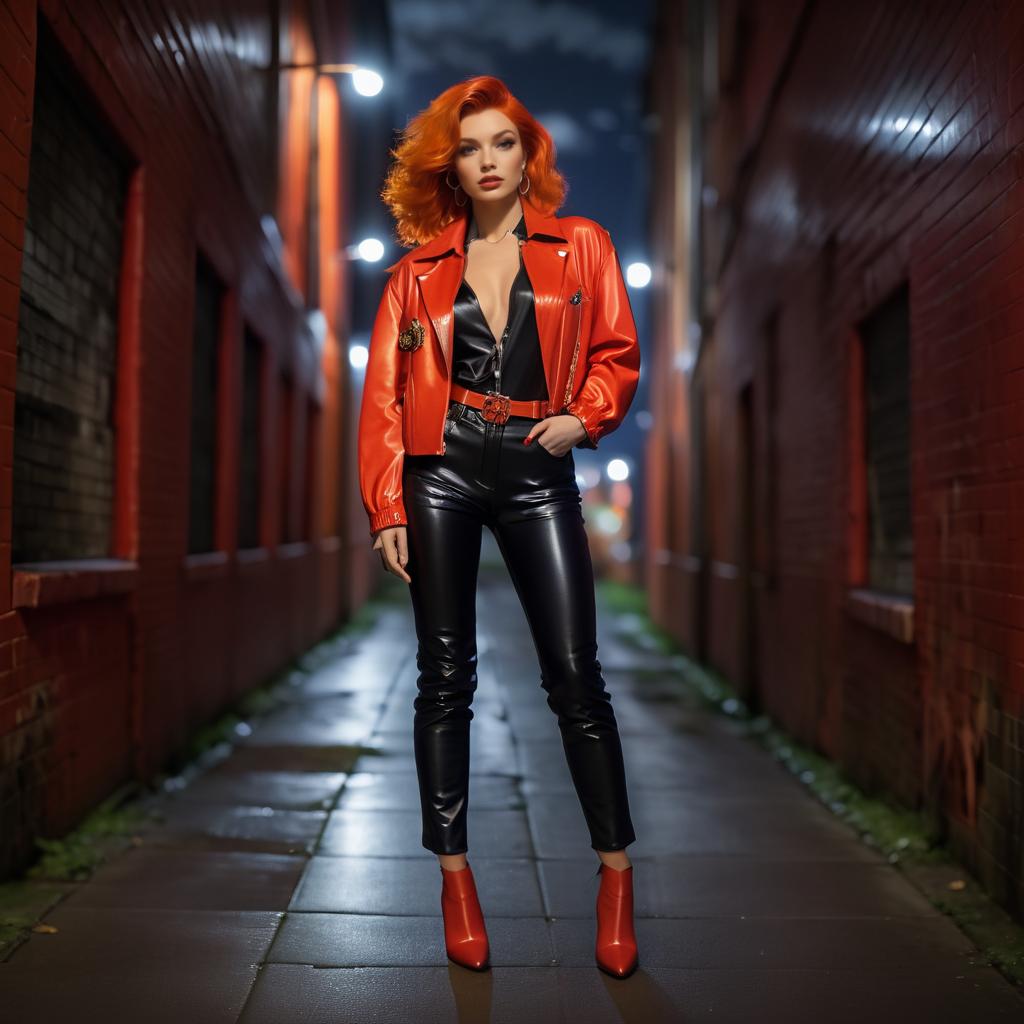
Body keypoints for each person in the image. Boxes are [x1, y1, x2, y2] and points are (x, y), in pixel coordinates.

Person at [357, 75, 641, 979]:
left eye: (503, 145)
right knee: (445, 677)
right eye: (470, 148)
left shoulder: (582, 245)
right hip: (441, 470)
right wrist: (388, 505)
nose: (487, 161)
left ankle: (615, 877)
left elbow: (616, 352)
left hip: (535, 464)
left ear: (529, 158)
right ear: (452, 165)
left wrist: (586, 415)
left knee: (574, 674)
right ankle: (455, 879)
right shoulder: (415, 274)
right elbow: (386, 400)